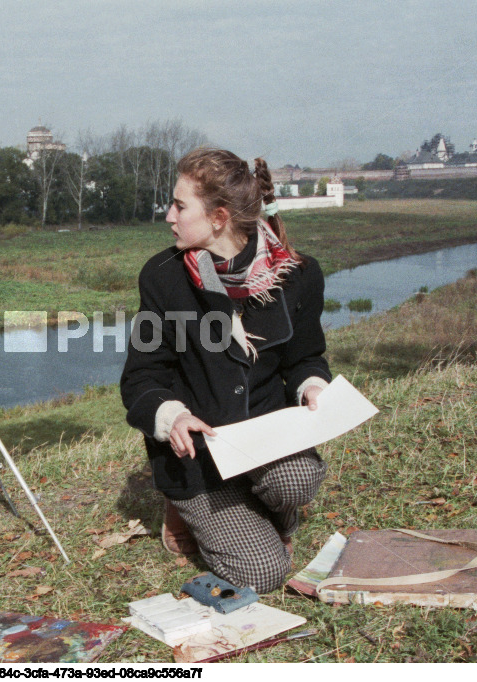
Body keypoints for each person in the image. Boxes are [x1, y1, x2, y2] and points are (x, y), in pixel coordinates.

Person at [120, 148, 330, 593]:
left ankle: (267, 512)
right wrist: (172, 417)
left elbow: (306, 357)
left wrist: (312, 386)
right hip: (198, 457)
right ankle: (185, 508)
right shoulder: (161, 278)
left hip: (265, 440)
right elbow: (141, 377)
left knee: (298, 478)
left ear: (218, 217)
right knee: (264, 574)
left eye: (179, 206)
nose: (168, 217)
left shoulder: (299, 275)